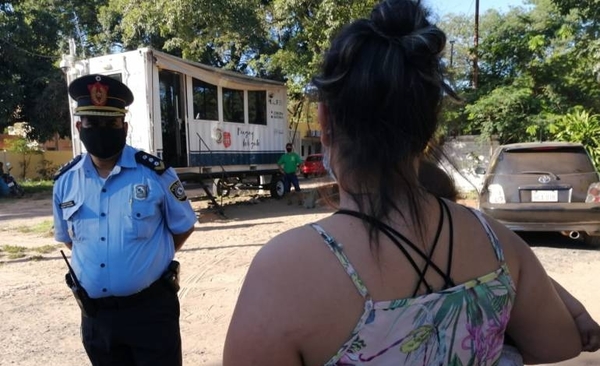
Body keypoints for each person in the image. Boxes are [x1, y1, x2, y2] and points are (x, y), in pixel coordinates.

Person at [223, 1, 587, 365]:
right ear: (429, 124)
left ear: (326, 120)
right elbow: (559, 345)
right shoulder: (496, 242)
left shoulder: (284, 272)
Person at [52, 74, 197, 366]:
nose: (101, 130)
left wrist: (148, 260)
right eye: (92, 124)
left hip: (151, 313)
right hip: (97, 317)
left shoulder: (155, 174)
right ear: (80, 127)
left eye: (110, 124)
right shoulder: (65, 182)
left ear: (124, 127)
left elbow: (183, 225)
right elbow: (69, 240)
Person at [417, 155, 600, 365]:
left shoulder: (478, 242)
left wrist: (580, 316)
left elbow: (534, 281)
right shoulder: (481, 240)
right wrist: (580, 316)